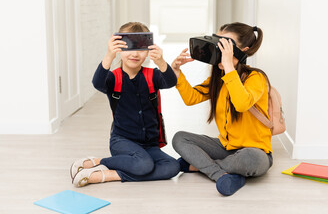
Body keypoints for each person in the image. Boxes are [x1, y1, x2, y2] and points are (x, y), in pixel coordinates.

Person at [70, 22, 180, 187]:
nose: (134, 54)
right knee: (144, 165)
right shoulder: (114, 78)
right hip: (122, 142)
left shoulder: (153, 76)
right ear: (119, 49)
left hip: (149, 145)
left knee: (173, 167)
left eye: (141, 49)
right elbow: (97, 83)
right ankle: (98, 163)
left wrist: (162, 62)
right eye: (128, 47)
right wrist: (109, 55)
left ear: (148, 51)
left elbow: (170, 82)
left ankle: (112, 174)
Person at [171, 22, 273, 196]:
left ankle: (200, 166)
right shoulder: (218, 79)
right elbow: (191, 98)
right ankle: (223, 173)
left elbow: (241, 104)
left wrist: (228, 68)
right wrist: (176, 71)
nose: (219, 50)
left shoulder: (256, 78)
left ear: (244, 50)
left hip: (254, 151)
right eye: (217, 43)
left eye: (225, 46)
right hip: (225, 147)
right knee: (180, 138)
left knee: (252, 159)